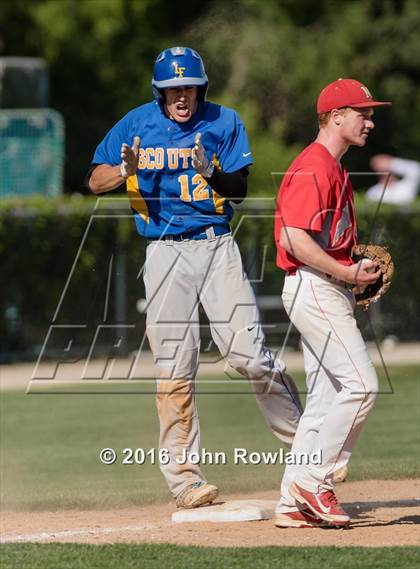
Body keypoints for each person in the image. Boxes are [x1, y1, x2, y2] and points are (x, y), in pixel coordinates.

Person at [87, 46, 302, 509]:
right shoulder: (136, 123)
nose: (181, 95)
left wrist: (215, 174)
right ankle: (185, 480)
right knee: (174, 367)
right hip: (164, 252)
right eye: (172, 88)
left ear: (200, 87)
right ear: (159, 91)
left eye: (188, 87)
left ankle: (308, 450)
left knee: (250, 356)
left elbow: (240, 190)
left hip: (215, 244)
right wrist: (125, 168)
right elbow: (95, 181)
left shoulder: (223, 121)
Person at [273, 78, 391, 528]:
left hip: (326, 287)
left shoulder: (335, 169)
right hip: (316, 286)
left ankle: (290, 501)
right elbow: (292, 238)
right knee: (362, 386)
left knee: (325, 400)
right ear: (335, 116)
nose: (370, 121)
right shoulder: (315, 166)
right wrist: (345, 273)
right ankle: (314, 479)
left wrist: (352, 272)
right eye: (362, 113)